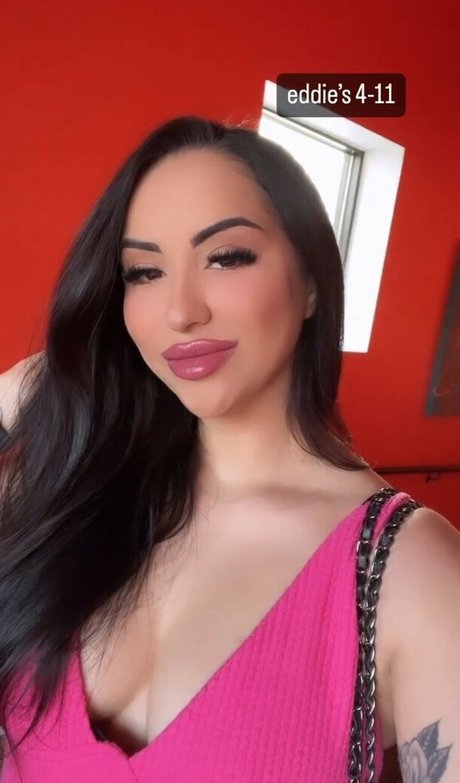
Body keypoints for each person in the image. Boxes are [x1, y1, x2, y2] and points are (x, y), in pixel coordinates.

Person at [0, 116, 458, 783]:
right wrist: (28, 395)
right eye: (144, 271)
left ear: (311, 284)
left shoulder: (411, 573)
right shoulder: (79, 489)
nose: (180, 311)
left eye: (227, 257)